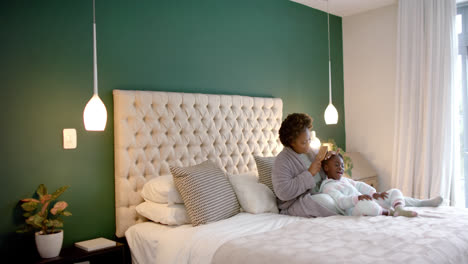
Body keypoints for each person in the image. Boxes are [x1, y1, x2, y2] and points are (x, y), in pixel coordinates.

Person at [272, 113, 443, 218]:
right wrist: (309, 173)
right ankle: (371, 210)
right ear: (290, 142)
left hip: (329, 191)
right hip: (298, 203)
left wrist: (329, 159)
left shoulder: (310, 151)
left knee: (361, 191)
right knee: (326, 201)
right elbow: (283, 193)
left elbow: (327, 170)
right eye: (303, 142)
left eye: (309, 139)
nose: (308, 144)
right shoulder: (282, 161)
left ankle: (417, 203)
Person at [320, 153, 417, 217]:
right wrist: (357, 198)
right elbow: (341, 202)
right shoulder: (328, 187)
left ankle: (399, 209)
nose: (340, 168)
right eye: (336, 165)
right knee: (364, 206)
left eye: (342, 165)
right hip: (355, 208)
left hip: (368, 200)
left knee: (394, 191)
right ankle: (389, 212)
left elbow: (359, 185)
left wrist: (373, 193)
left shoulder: (345, 180)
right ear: (326, 167)